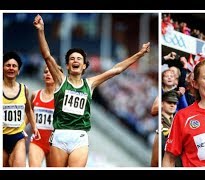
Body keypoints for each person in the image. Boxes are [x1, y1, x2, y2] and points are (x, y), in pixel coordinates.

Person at [34, 14, 150, 167]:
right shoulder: (61, 80)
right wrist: (41, 31)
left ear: (84, 66)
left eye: (79, 59)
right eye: (72, 59)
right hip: (60, 134)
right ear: (67, 66)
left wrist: (139, 54)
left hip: (80, 137)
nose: (75, 61)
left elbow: (116, 69)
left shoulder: (90, 83)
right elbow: (47, 56)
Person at [3, 51, 40, 167]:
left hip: (18, 137)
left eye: (14, 66)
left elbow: (28, 111)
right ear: (2, 68)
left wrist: (34, 127)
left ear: (18, 71)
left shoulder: (24, 89)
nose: (11, 68)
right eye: (8, 65)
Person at [28, 65, 63, 167]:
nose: (48, 74)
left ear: (58, 76)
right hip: (37, 141)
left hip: (55, 144)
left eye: (51, 72)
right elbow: (29, 113)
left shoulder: (61, 98)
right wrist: (21, 129)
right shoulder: (35, 95)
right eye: (45, 72)